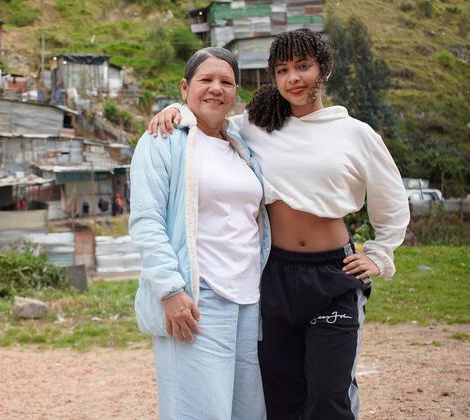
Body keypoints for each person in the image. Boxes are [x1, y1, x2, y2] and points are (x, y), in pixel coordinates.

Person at [149, 29, 410, 420]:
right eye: (283, 70)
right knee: (279, 394)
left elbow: (391, 202)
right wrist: (176, 109)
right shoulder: (256, 125)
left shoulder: (356, 134)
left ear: (324, 69)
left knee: (328, 394)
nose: (293, 78)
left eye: (303, 67)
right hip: (273, 275)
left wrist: (380, 253)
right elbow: (210, 114)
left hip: (333, 276)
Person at [130, 47, 271, 420]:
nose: (216, 88)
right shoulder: (162, 140)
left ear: (236, 92)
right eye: (206, 80)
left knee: (248, 411)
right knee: (199, 412)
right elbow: (147, 221)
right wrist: (170, 291)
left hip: (249, 298)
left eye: (226, 82)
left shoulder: (242, 144)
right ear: (185, 86)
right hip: (197, 297)